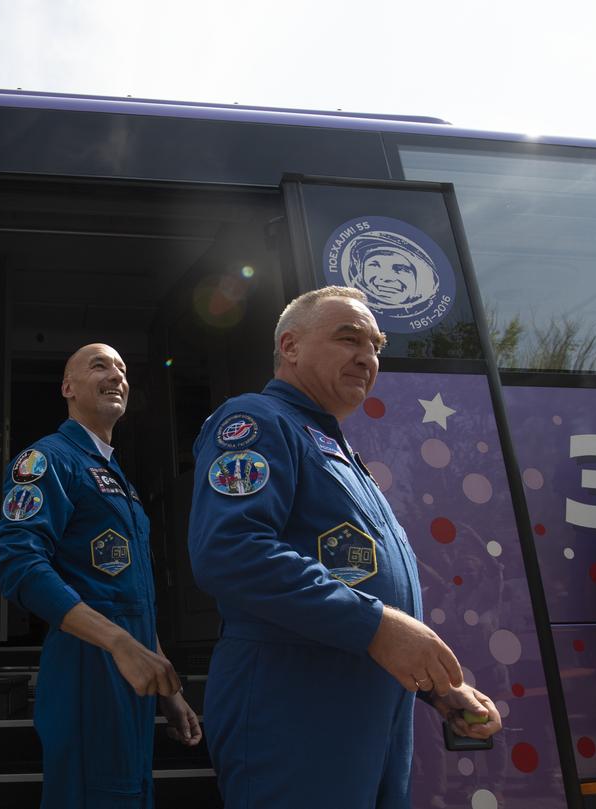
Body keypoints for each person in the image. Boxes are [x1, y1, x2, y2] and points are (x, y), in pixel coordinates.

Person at [187, 286, 501, 809]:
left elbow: (360, 583)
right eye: (348, 338)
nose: (367, 356)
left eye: (375, 345)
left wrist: (435, 689)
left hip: (368, 719)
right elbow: (229, 551)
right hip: (296, 713)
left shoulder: (335, 446)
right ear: (290, 347)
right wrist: (377, 625)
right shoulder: (257, 422)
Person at [0, 343, 201, 809]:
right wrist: (118, 644)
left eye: (123, 369)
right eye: (99, 365)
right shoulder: (48, 461)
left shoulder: (114, 475)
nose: (117, 375)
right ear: (68, 388)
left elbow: (132, 596)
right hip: (87, 671)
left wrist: (167, 684)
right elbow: (19, 566)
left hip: (130, 672)